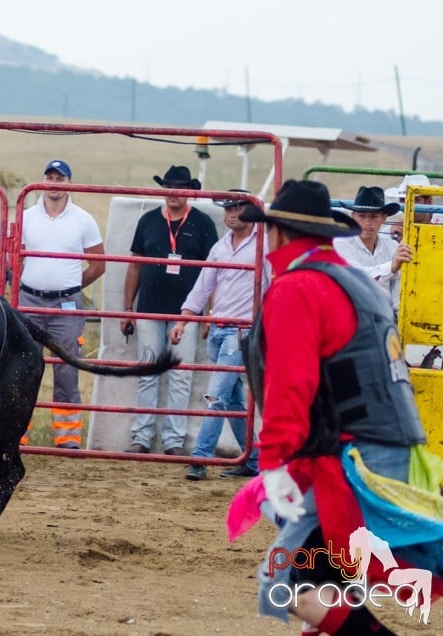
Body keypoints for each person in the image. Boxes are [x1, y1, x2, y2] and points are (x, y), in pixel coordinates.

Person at [228, 179, 442, 635]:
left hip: (352, 457)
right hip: (389, 447)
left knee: (283, 580)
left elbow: (292, 383)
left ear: (280, 233)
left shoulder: (297, 287)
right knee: (335, 576)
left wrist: (272, 462)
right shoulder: (354, 283)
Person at [122, 165, 219, 455]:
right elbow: (135, 265)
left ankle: (174, 441)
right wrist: (128, 307)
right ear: (163, 189)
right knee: (148, 371)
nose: (174, 192)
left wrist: (209, 314)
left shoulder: (202, 223)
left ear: (189, 192)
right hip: (150, 308)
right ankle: (141, 437)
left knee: (180, 375)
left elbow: (212, 272)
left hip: (186, 313)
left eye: (180, 187)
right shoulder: (148, 221)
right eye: (169, 186)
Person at [171, 190, 267, 480]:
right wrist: (184, 320)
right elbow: (203, 285)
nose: (231, 214)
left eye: (237, 208)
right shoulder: (221, 247)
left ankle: (200, 458)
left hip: (242, 331)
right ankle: (254, 460)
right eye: (227, 209)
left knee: (216, 395)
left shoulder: (263, 248)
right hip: (219, 329)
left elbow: (275, 287)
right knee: (232, 399)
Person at [19, 160, 105, 449]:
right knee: (23, 367)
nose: (54, 183)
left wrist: (71, 285)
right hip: (29, 300)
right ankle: (17, 431)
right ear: (42, 180)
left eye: (60, 178)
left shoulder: (84, 220)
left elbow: (99, 263)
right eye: (50, 177)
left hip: (66, 305)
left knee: (67, 369)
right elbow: (13, 256)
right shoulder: (27, 216)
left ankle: (67, 439)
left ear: (69, 183)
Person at [333, 186, 412, 316]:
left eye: (374, 216)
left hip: (385, 319)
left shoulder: (392, 246)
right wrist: (391, 267)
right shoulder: (341, 244)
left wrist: (399, 319)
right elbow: (355, 277)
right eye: (362, 216)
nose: (367, 222)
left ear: (384, 218)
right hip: (351, 315)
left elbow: (397, 289)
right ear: (353, 217)